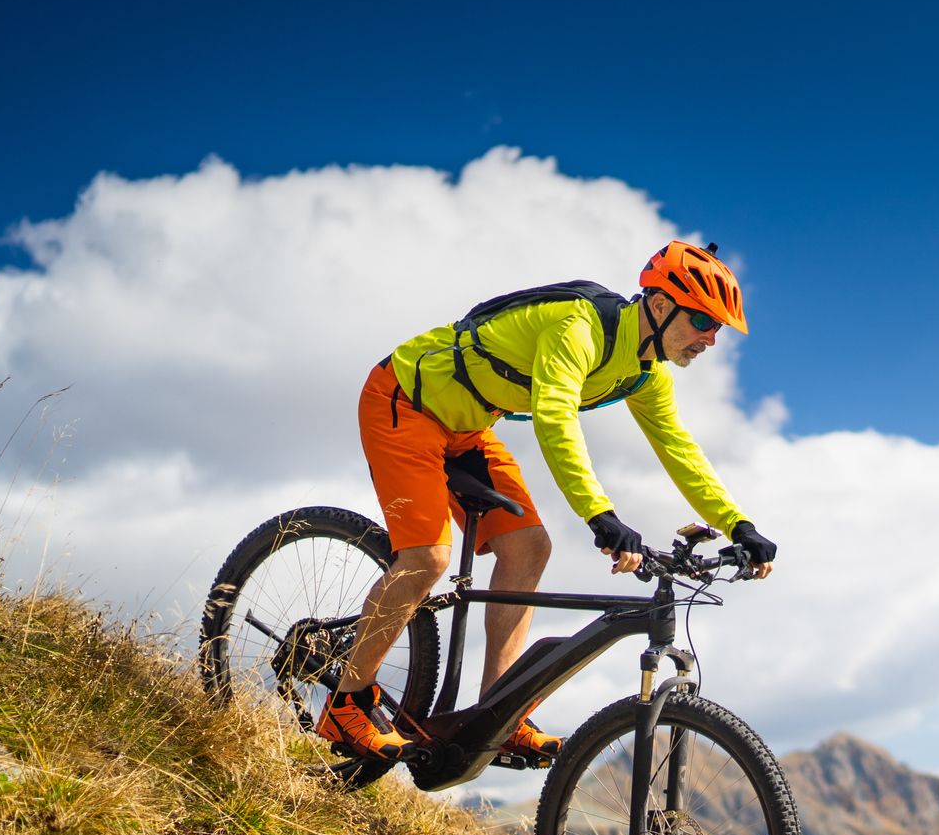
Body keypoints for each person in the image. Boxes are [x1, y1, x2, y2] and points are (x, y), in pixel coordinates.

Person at [318, 240, 777, 762]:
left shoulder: (646, 374)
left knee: (530, 548)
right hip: (404, 399)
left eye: (717, 329)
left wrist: (739, 525)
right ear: (658, 304)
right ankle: (347, 701)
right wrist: (599, 514)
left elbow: (679, 451)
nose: (709, 338)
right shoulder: (578, 328)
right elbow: (555, 417)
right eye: (701, 320)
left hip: (469, 427)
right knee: (427, 558)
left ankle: (498, 713)